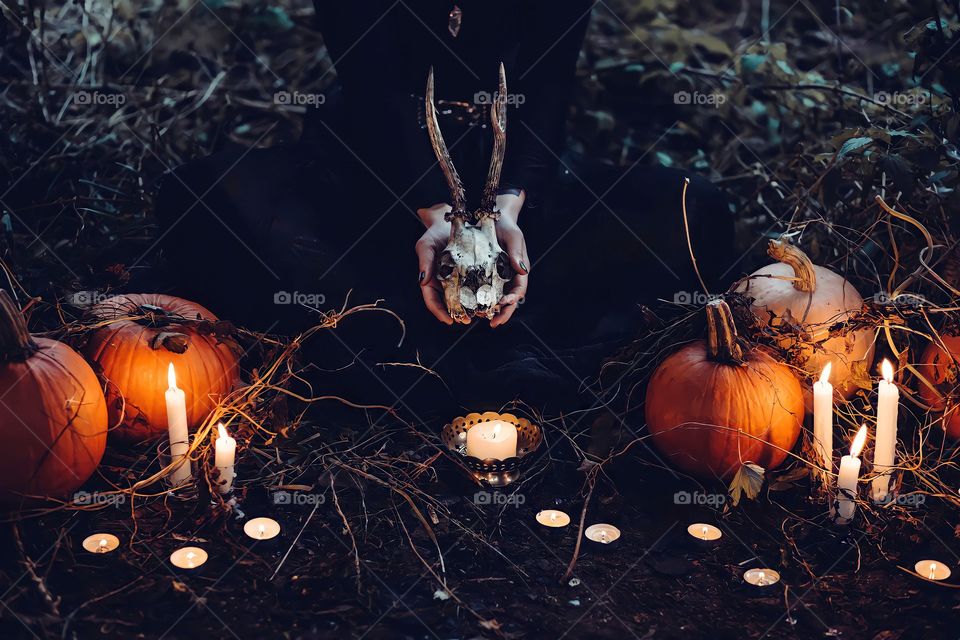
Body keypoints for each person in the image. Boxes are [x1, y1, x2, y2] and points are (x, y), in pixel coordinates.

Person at [155, 2, 735, 407]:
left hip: (517, 175)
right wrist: (433, 211)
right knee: (202, 201)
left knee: (693, 213)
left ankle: (431, 333)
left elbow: (549, 79)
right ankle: (455, 336)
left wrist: (509, 206)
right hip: (374, 170)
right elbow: (372, 78)